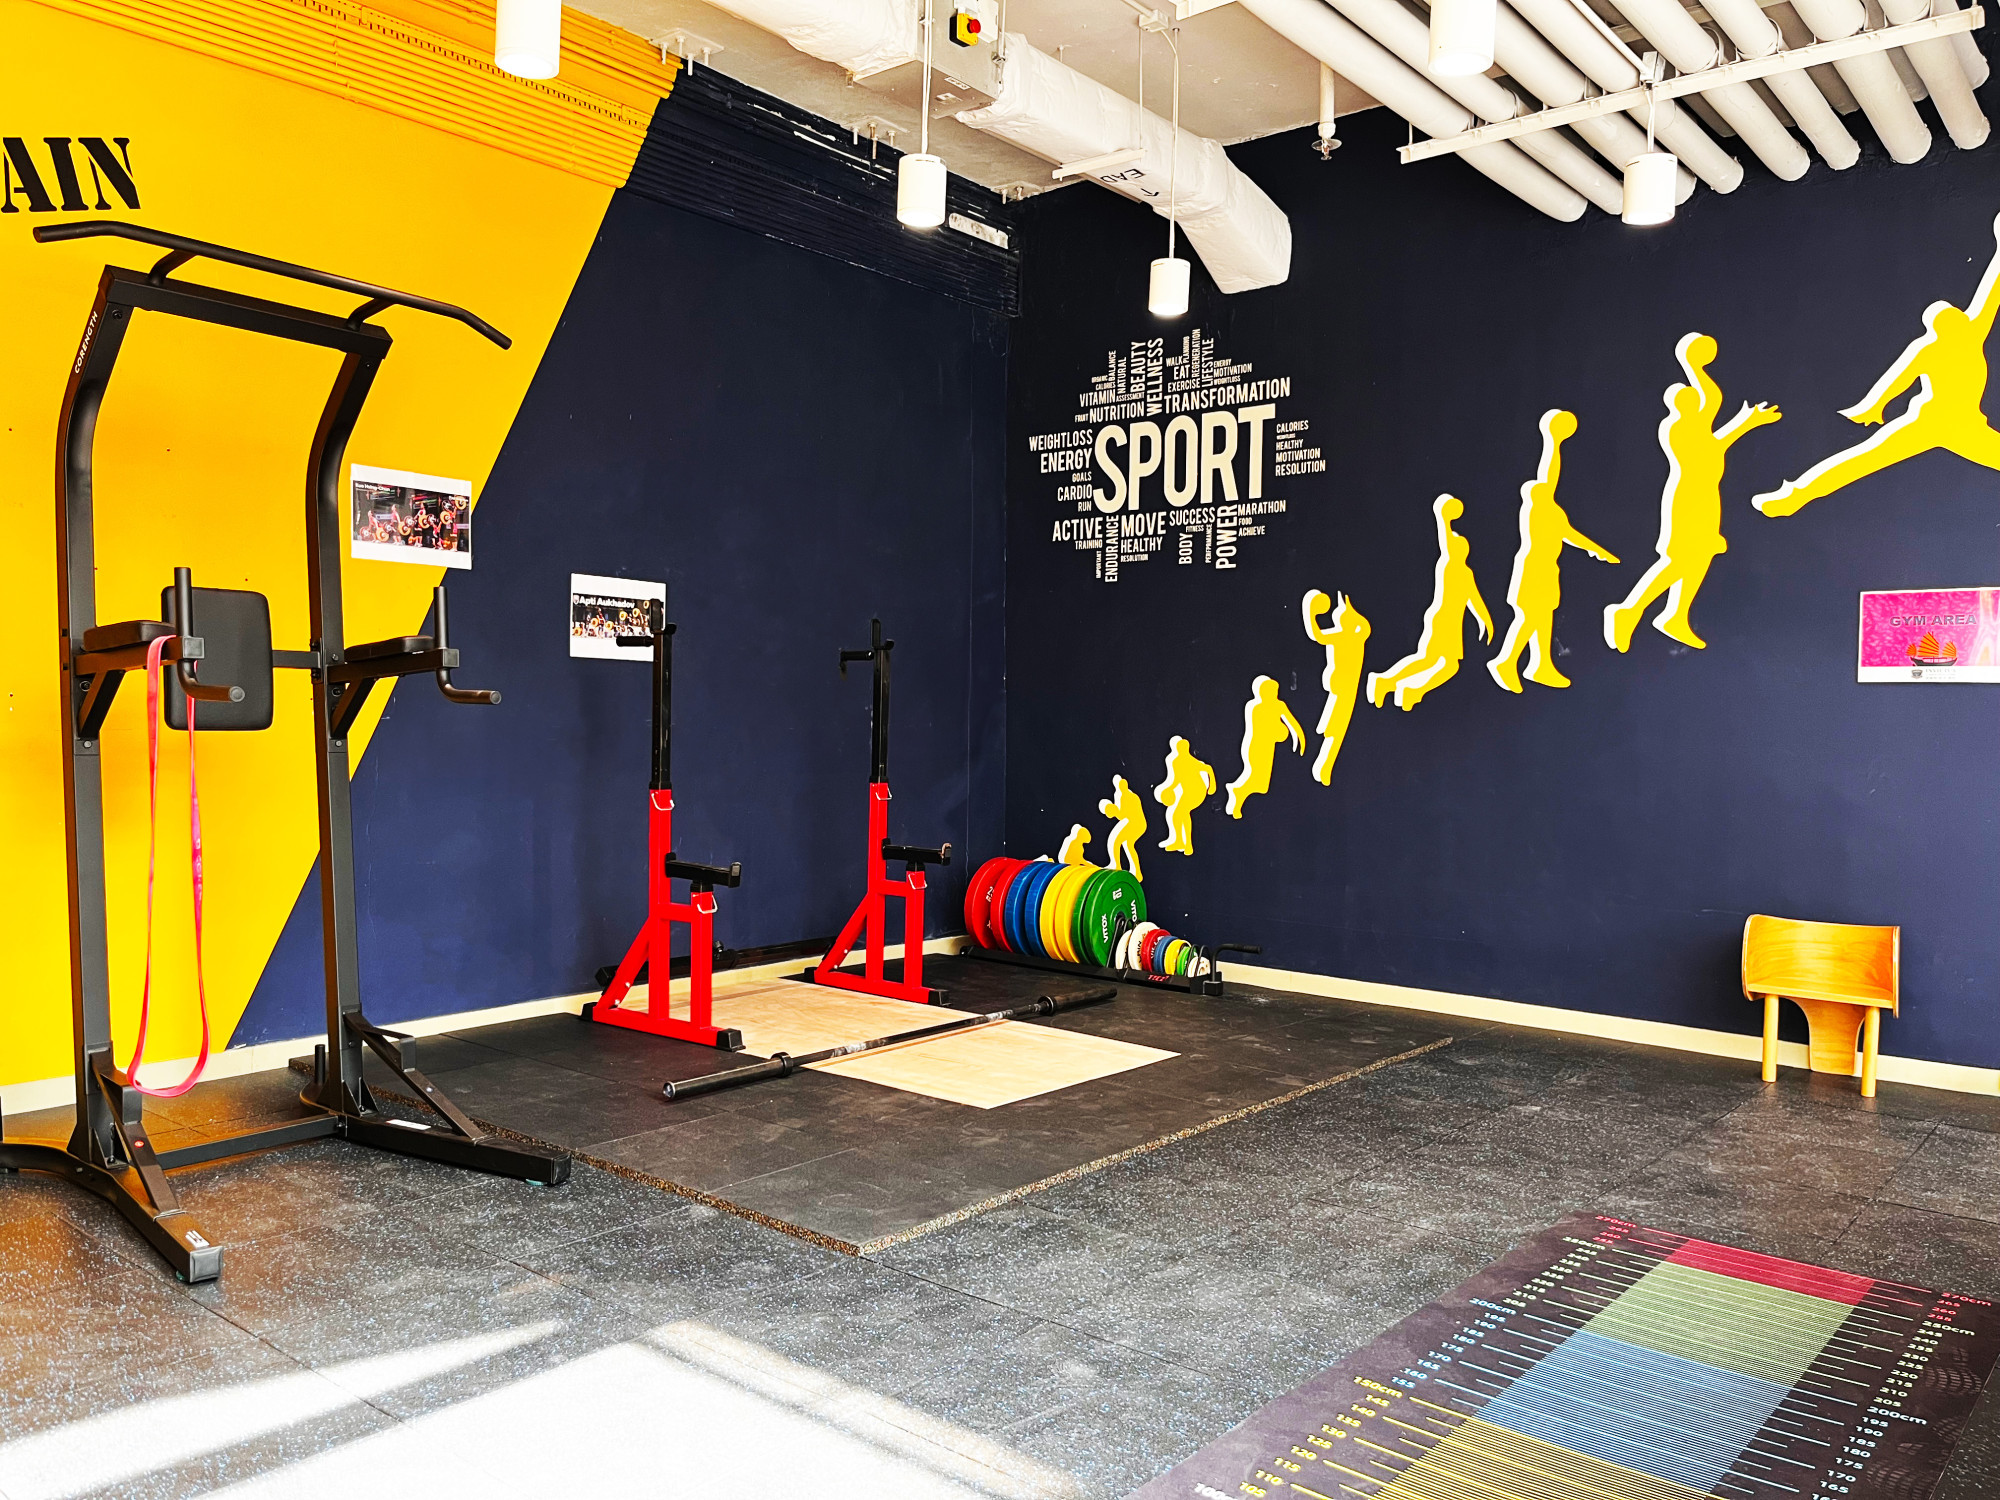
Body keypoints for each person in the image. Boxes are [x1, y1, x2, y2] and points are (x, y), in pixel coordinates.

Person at [1756, 213, 2000, 517]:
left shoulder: (1971, 334)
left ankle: (1794, 497)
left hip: (1965, 424)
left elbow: (1992, 294)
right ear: (1939, 328)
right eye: (1948, 319)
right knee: (1864, 459)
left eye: (1956, 316)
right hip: (1928, 421)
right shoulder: (1931, 349)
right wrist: (1874, 406)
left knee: (1865, 458)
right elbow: (1900, 380)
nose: (1957, 319)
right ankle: (1794, 497)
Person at [1605, 333, 1780, 652]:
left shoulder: (1696, 426)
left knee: (1700, 556)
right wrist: (1693, 365)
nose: (1694, 400)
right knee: (1679, 560)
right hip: (1688, 498)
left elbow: (1713, 422)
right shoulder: (1677, 428)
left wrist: (1743, 420)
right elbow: (1711, 441)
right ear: (1677, 404)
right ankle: (1629, 609)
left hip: (1705, 496)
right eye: (1686, 397)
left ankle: (1675, 614)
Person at [1489, 410, 1618, 692]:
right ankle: (1506, 661)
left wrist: (1597, 550)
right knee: (1530, 616)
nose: (1543, 486)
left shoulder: (1551, 513)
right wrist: (1553, 441)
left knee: (1544, 614)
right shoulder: (1538, 508)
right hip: (1533, 567)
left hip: (1546, 568)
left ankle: (1540, 664)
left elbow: (1570, 535)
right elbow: (1548, 473)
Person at [1368, 496, 1492, 710]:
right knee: (1446, 665)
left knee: (1428, 660)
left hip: (1449, 624)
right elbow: (1445, 538)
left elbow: (1474, 600)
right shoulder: (1449, 564)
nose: (1462, 542)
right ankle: (1405, 688)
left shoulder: (1465, 573)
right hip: (1442, 620)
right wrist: (1443, 517)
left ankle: (1391, 684)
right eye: (1457, 541)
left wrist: (1485, 621)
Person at [1300, 590, 1370, 781]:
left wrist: (1347, 606)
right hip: (1339, 686)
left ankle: (1325, 766)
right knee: (1334, 728)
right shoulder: (1345, 635)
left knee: (1336, 728)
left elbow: (1364, 627)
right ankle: (1325, 765)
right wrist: (1311, 612)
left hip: (1346, 687)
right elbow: (1318, 635)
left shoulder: (1354, 636)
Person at [1225, 677, 1304, 818]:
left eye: (1275, 690)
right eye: (1270, 690)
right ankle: (1237, 793)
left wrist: (1300, 740)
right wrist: (1283, 732)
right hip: (1256, 748)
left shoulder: (1278, 705)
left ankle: (1237, 792)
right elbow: (1266, 730)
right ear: (1262, 692)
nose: (1274, 693)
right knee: (1256, 780)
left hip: (1268, 749)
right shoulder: (1256, 708)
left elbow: (1293, 723)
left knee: (1261, 785)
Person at [1154, 736, 1216, 854]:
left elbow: (1207, 768)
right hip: (1186, 792)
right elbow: (1176, 780)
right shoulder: (1176, 762)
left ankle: (1188, 844)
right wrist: (1168, 789)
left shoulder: (1190, 760)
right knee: (1176, 815)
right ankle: (1179, 841)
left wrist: (1212, 786)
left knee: (1182, 812)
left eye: (1183, 748)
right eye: (1179, 748)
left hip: (1197, 792)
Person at [1098, 776, 1148, 879]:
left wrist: (1114, 810)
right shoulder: (1118, 795)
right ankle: (1136, 872)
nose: (1121, 786)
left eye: (1122, 783)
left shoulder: (1130, 796)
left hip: (1136, 823)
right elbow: (1121, 815)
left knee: (1116, 841)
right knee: (1127, 845)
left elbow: (1123, 814)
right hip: (1132, 822)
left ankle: (1116, 865)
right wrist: (1113, 810)